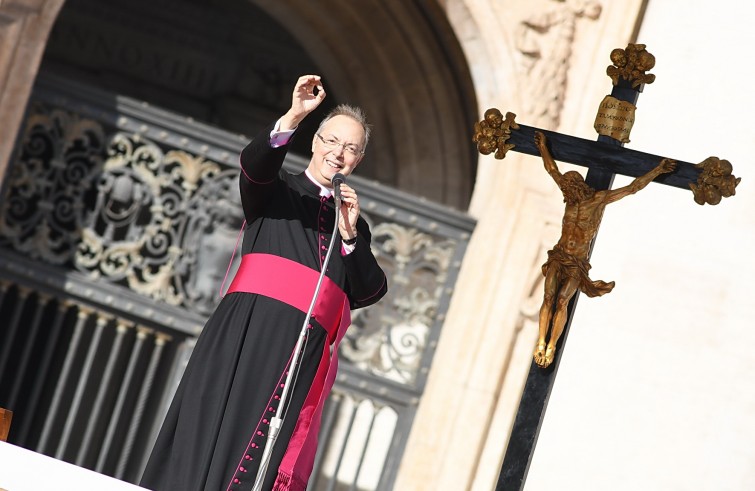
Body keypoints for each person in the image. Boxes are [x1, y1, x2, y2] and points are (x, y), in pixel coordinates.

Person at [140, 75, 388, 491]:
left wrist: (348, 236)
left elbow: (368, 290)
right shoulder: (278, 190)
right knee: (212, 427)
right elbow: (255, 166)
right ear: (315, 142)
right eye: (332, 141)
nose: (338, 154)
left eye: (350, 149)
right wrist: (294, 115)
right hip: (245, 333)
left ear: (358, 160)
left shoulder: (354, 222)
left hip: (299, 354)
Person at [533, 130, 675, 368]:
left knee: (561, 302)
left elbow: (631, 188)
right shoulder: (570, 195)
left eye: (569, 191)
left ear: (578, 187)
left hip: (577, 262)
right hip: (558, 255)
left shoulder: (597, 200)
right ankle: (540, 343)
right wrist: (542, 146)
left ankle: (552, 345)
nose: (566, 195)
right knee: (548, 296)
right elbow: (552, 170)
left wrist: (658, 170)